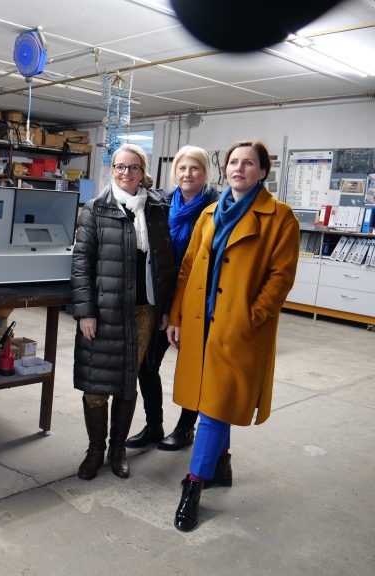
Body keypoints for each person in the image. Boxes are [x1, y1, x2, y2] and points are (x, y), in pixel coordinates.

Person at [166, 140, 299, 531]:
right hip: (200, 322)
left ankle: (194, 485)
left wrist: (252, 316)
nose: (239, 168)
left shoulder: (280, 217)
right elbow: (188, 268)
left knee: (213, 406)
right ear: (226, 169)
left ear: (262, 171)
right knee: (212, 399)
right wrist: (176, 315)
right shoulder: (209, 213)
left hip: (238, 326)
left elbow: (281, 276)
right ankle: (220, 464)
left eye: (249, 163)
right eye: (234, 162)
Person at [71, 143, 176, 481]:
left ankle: (118, 449)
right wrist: (85, 312)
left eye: (133, 168)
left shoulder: (157, 208)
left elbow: (164, 263)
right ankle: (95, 449)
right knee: (95, 385)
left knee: (128, 383)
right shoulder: (94, 209)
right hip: (103, 311)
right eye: (120, 167)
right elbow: (81, 264)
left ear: (143, 173)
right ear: (112, 169)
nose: (126, 173)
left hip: (144, 311)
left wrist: (164, 308)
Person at [126, 146, 219, 451]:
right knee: (146, 364)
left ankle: (185, 428)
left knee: (192, 368)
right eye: (182, 168)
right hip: (161, 295)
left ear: (205, 172)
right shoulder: (162, 204)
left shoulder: (215, 208)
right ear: (174, 172)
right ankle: (154, 425)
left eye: (194, 168)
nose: (187, 174)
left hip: (196, 301)